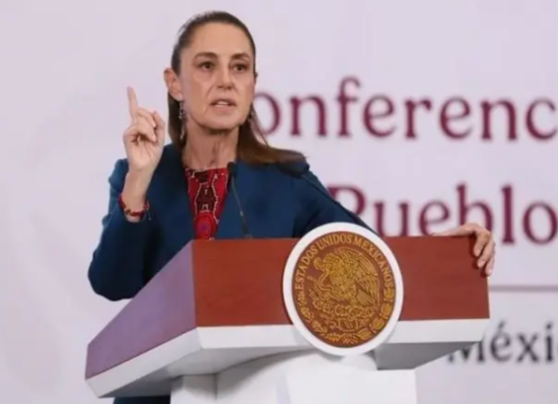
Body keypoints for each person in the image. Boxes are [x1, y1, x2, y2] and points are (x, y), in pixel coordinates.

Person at [87, 10, 496, 404]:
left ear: (253, 84)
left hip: (254, 393)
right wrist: (139, 182)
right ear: (175, 83)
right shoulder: (138, 175)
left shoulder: (287, 180)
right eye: (207, 66)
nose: (225, 81)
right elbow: (111, 283)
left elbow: (366, 258)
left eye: (240, 67)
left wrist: (441, 252)